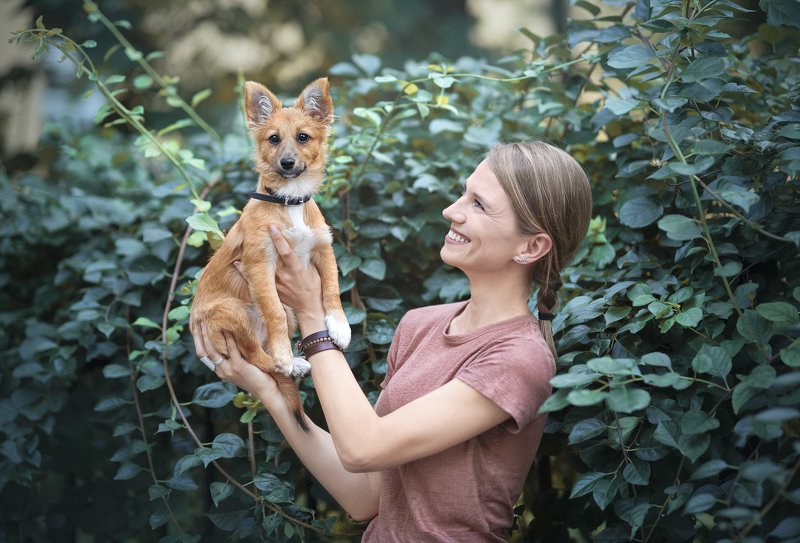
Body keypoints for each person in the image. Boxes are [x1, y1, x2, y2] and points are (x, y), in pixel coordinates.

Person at [193, 141, 593, 541]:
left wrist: (313, 314)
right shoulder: (420, 326)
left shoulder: (519, 359)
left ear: (531, 246)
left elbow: (362, 448)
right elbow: (366, 495)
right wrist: (268, 389)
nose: (452, 211)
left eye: (479, 205)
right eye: (463, 194)